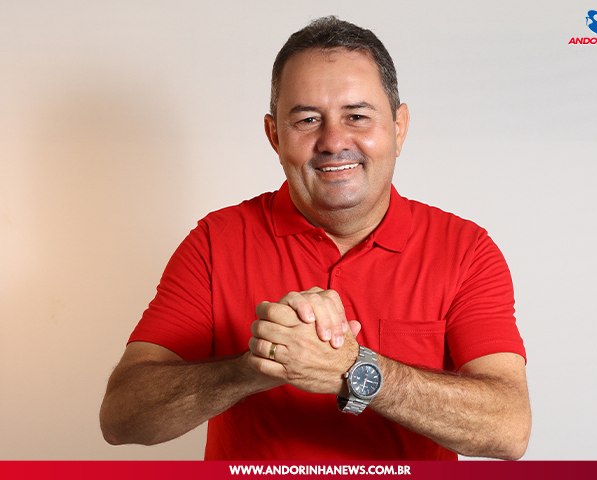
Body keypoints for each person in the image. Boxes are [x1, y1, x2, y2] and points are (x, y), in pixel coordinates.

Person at [99, 16, 531, 461]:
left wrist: (355, 369)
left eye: (357, 116)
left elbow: (509, 429)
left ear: (399, 126)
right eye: (307, 120)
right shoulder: (216, 241)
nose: (333, 141)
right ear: (274, 136)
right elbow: (121, 418)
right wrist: (256, 366)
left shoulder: (465, 250)